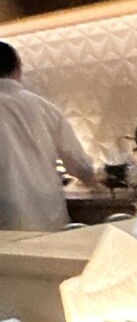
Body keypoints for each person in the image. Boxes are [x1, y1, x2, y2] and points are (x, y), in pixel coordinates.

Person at [0, 41, 97, 231]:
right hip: (47, 213)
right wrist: (94, 180)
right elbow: (79, 164)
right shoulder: (44, 108)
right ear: (18, 67)